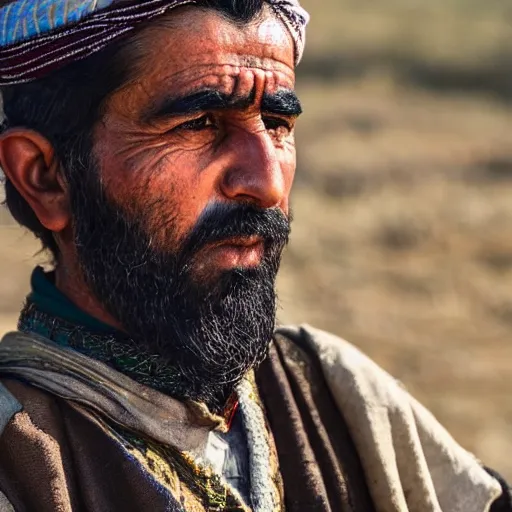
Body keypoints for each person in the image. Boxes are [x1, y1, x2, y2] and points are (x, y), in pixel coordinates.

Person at [0, 1, 509, 511]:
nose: (266, 183)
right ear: (44, 176)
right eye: (199, 123)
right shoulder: (21, 462)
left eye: (277, 122)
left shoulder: (337, 395)